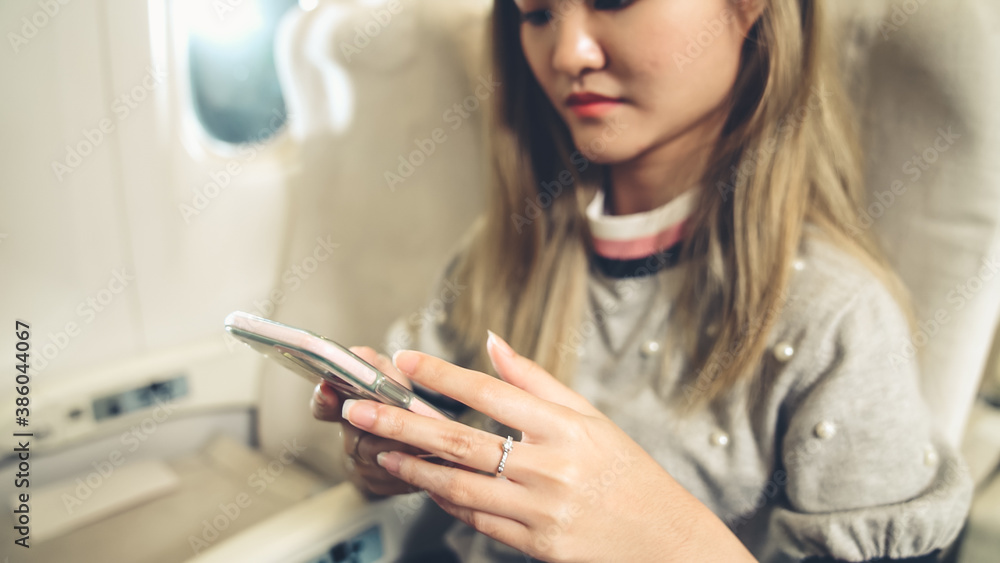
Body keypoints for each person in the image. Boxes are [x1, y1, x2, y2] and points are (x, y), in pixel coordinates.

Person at [312, 0, 972, 561]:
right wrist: (380, 458)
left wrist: (672, 538)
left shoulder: (837, 320)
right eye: (537, 14)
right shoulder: (500, 255)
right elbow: (405, 475)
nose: (567, 53)